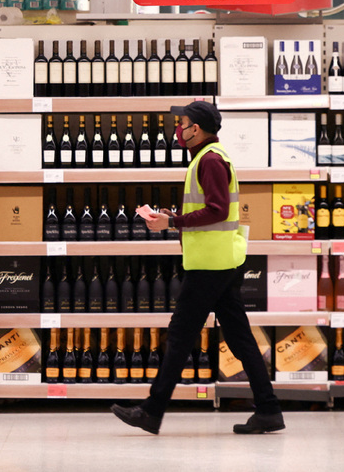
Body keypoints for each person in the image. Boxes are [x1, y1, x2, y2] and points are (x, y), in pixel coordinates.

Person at [112, 100, 284, 435]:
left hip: (210, 265)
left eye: (184, 123)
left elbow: (218, 210)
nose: (179, 129)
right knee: (239, 337)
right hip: (220, 260)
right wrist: (172, 217)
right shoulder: (208, 158)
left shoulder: (211, 161)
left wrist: (172, 221)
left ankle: (152, 411)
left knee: (180, 336)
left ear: (199, 128)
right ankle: (268, 409)